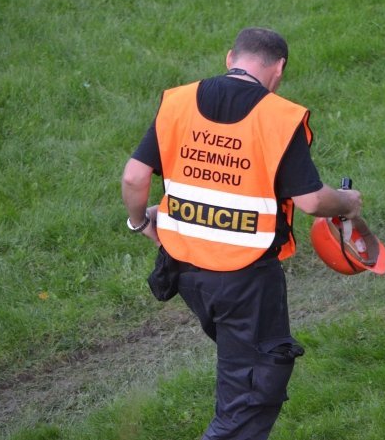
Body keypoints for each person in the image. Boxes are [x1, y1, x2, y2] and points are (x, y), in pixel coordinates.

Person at [121, 27, 362, 440]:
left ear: (230, 57)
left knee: (240, 377)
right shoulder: (278, 117)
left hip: (187, 273)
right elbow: (310, 202)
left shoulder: (177, 101)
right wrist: (347, 201)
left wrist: (141, 223)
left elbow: (134, 176)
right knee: (250, 399)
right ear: (279, 67)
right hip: (245, 280)